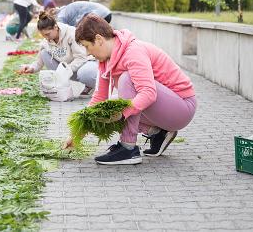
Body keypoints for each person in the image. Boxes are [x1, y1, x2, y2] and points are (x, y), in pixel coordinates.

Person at [64, 14, 197, 165]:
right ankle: (158, 133)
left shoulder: (133, 52)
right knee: (106, 108)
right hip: (165, 109)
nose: (87, 52)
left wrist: (122, 114)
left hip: (182, 107)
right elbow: (98, 100)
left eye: (87, 46)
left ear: (99, 39)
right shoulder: (104, 61)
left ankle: (128, 148)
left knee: (127, 81)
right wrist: (76, 136)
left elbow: (148, 93)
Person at [18, 10, 98, 93]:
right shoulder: (47, 41)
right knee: (44, 53)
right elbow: (39, 63)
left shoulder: (71, 34)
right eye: (43, 35)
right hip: (69, 70)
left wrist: (66, 70)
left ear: (55, 27)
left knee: (86, 74)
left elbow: (81, 58)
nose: (46, 38)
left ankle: (95, 86)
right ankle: (61, 86)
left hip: (85, 64)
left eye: (48, 34)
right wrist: (31, 68)